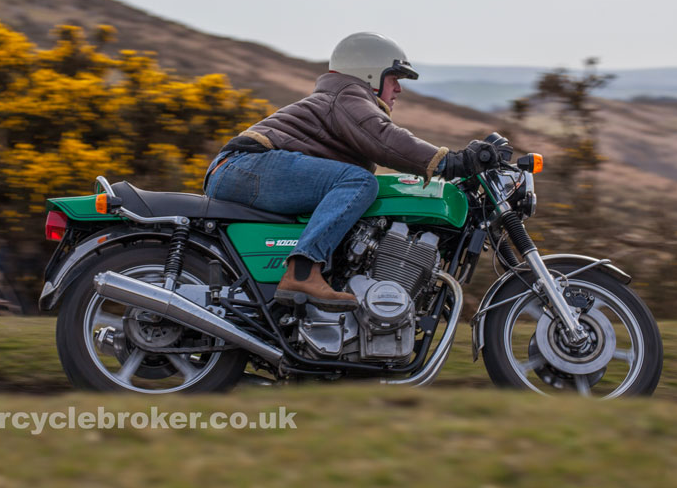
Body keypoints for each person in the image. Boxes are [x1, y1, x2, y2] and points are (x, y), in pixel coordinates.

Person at [203, 32, 499, 311]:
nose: (399, 88)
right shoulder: (347, 95)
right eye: (394, 77)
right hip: (245, 166)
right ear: (370, 74)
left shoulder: (343, 98)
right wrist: (447, 161)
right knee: (359, 182)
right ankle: (303, 272)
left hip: (248, 169)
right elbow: (385, 139)